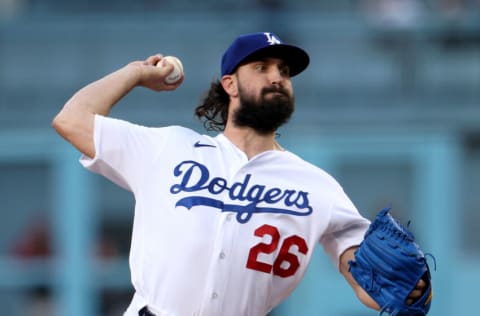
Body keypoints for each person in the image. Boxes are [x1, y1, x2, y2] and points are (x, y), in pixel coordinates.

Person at [52, 32, 426, 316]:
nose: (277, 77)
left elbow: (370, 283)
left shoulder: (317, 186)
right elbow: (71, 120)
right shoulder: (169, 147)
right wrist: (134, 73)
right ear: (229, 84)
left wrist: (406, 288)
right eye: (261, 68)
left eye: (284, 71)